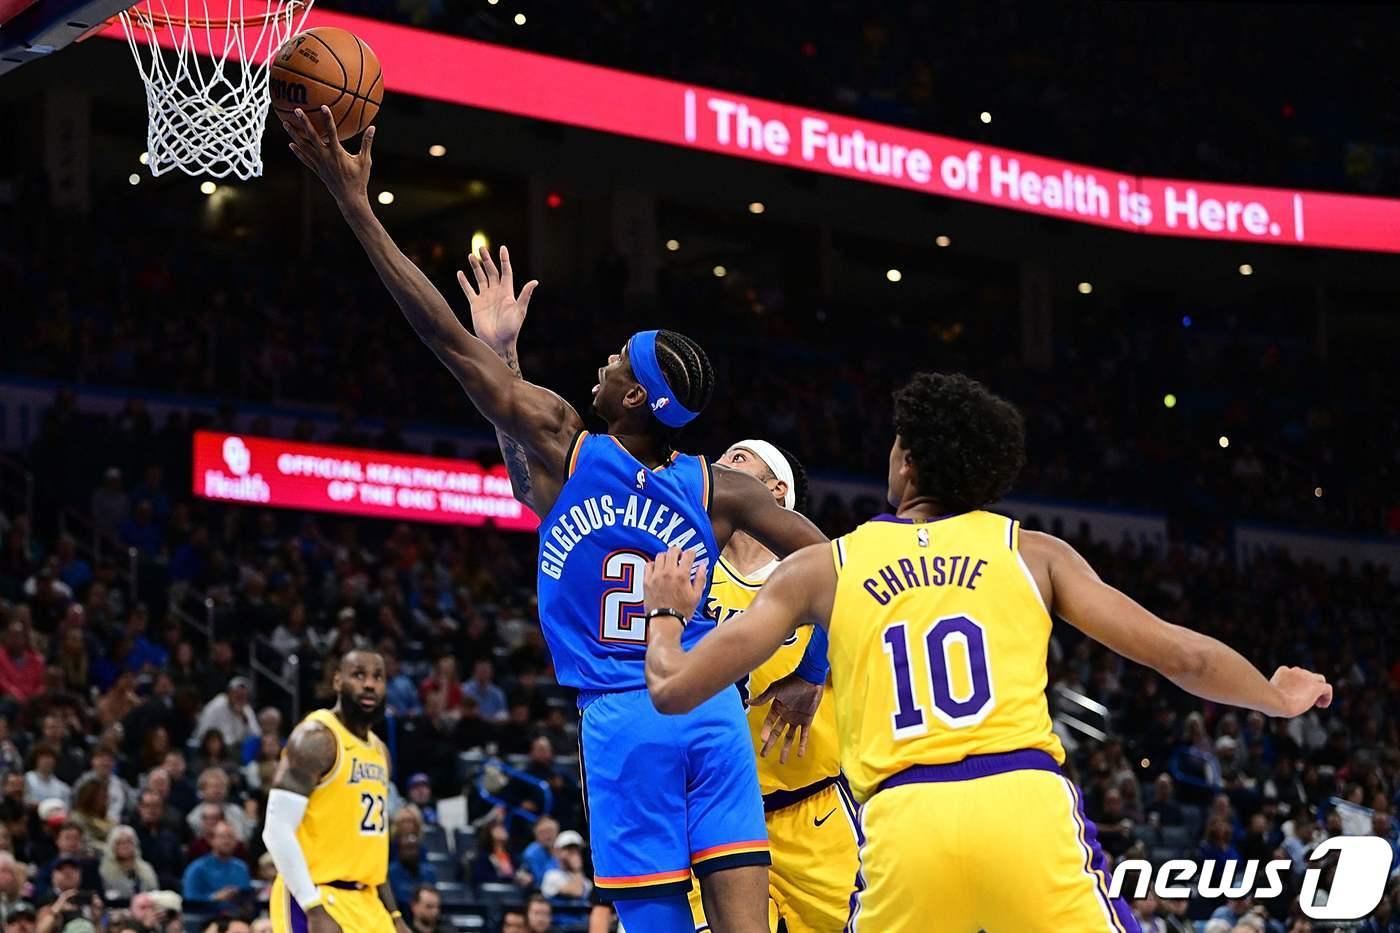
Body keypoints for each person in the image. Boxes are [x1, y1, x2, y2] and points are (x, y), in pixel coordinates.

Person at [285, 109, 830, 933]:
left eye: (617, 362)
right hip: (711, 711)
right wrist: (811, 666)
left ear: (635, 396)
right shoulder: (718, 487)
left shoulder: (569, 443)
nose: (602, 363)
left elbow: (440, 338)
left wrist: (355, 205)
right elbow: (829, 560)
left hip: (624, 715)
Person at [640, 371, 1334, 932]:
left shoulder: (827, 564)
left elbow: (673, 687)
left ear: (907, 461)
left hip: (905, 820)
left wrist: (666, 611)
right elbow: (1180, 656)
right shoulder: (1034, 553)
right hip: (1023, 805)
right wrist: (1276, 696)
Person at [685, 440, 858, 933]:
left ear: (777, 489)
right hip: (711, 815)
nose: (721, 464)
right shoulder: (689, 569)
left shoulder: (816, 574)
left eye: (739, 458)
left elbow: (864, 601)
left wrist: (813, 671)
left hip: (811, 812)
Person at [261, 649, 409, 933]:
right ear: (338, 681)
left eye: (378, 677)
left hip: (368, 902)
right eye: (359, 675)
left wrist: (395, 915)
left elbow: (371, 848)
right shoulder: (316, 738)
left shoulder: (380, 752)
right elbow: (276, 830)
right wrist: (313, 908)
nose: (369, 684)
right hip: (317, 894)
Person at [181, 821, 252, 904]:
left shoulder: (242, 868)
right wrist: (214, 897)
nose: (227, 841)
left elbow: (248, 898)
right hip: (207, 911)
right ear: (212, 840)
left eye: (230, 837)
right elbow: (189, 899)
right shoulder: (196, 869)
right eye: (222, 837)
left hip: (238, 911)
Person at [97, 824, 158, 900]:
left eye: (129, 841)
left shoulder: (146, 868)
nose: (125, 846)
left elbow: (155, 893)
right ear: (112, 846)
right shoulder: (104, 870)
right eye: (120, 843)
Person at [539, 831, 593, 902]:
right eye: (568, 849)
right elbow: (577, 891)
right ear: (557, 852)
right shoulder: (551, 876)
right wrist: (576, 869)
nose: (574, 854)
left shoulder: (586, 881)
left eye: (576, 850)